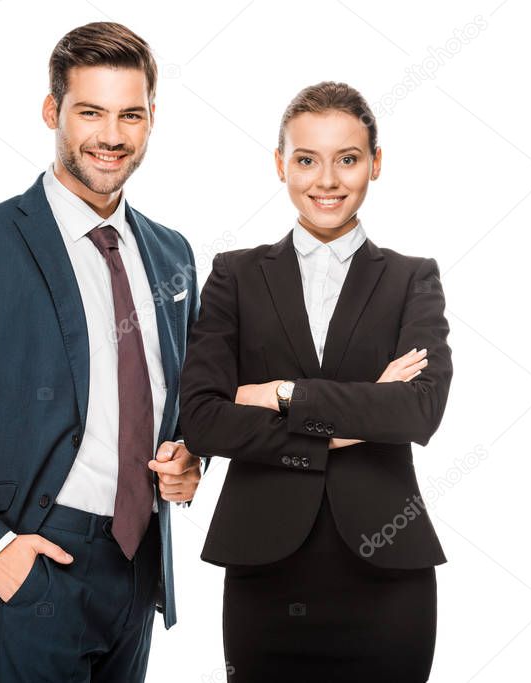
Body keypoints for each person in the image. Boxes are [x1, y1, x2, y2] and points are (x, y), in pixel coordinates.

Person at [0, 21, 204, 683]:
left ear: (150, 120)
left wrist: (191, 454)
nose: (111, 135)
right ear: (52, 110)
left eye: (130, 115)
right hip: (35, 560)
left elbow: (184, 397)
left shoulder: (172, 254)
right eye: (90, 112)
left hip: (139, 565)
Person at [179, 81, 452, 682]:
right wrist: (353, 418)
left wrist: (282, 396)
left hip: (389, 574)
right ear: (280, 165)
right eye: (307, 159)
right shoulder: (235, 275)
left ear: (374, 164)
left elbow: (418, 411)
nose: (326, 180)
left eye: (347, 158)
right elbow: (202, 416)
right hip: (263, 570)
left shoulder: (412, 279)